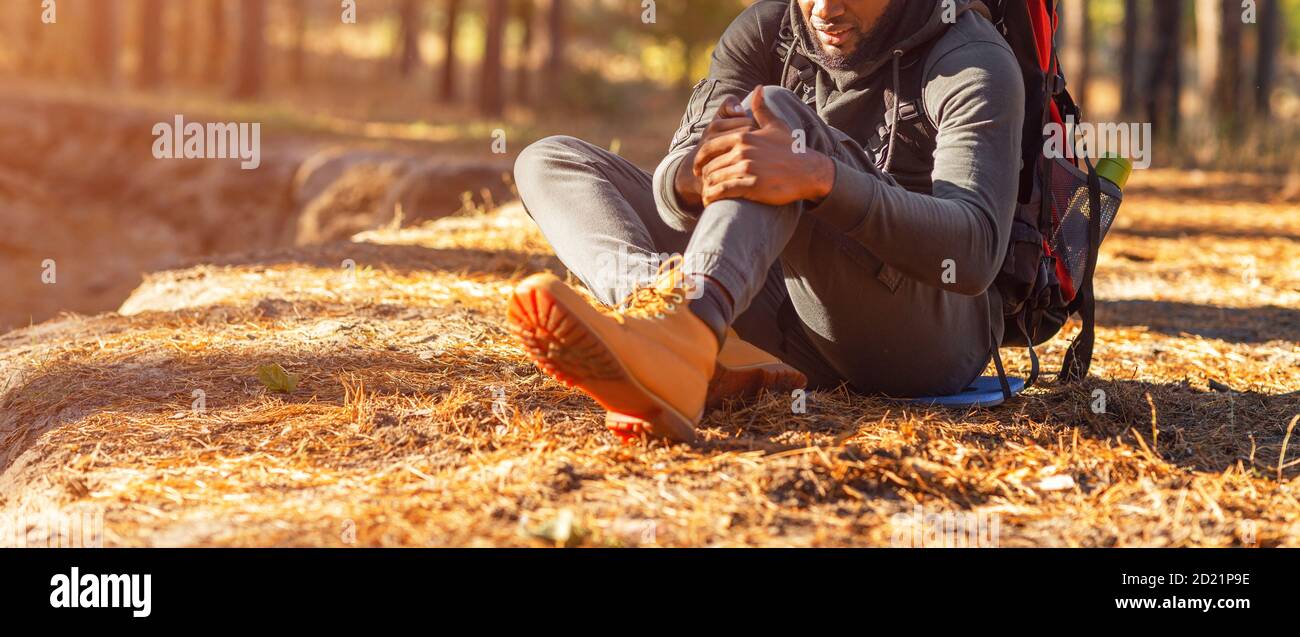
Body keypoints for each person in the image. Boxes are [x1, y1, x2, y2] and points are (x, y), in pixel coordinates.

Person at [508, 0, 1025, 442]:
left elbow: (973, 252)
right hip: (770, 302)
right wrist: (692, 175)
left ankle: (688, 328)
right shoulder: (765, 30)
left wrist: (822, 179)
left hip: (921, 335)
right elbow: (677, 180)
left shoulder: (970, 59)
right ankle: (663, 323)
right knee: (550, 159)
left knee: (777, 114)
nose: (824, 8)